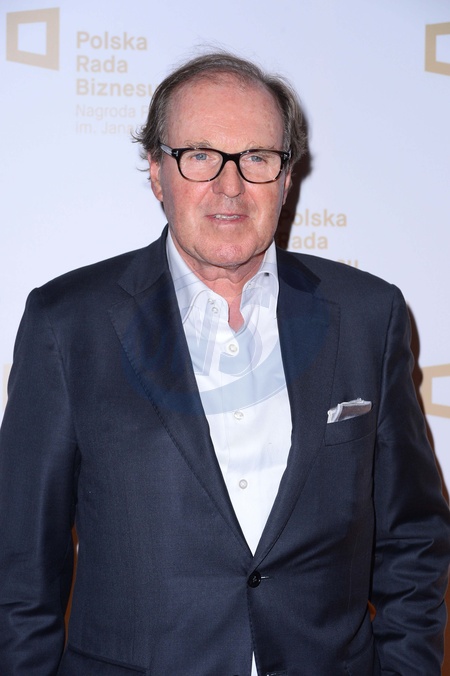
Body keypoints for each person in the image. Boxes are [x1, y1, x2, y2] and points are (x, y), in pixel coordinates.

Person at [0, 51, 449, 676]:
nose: (230, 185)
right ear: (157, 172)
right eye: (200, 156)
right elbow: (20, 573)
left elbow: (412, 541)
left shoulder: (370, 315)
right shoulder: (68, 322)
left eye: (257, 157)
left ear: (286, 178)